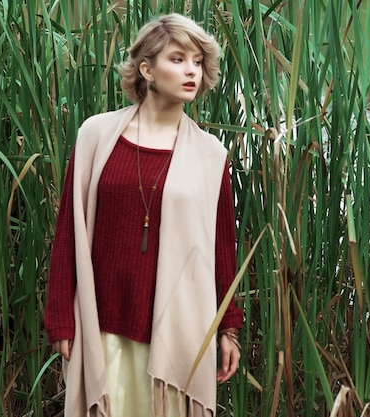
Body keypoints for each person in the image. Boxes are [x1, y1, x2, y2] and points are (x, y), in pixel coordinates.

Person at [44, 13, 243, 417]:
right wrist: (61, 316)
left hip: (176, 329)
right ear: (147, 69)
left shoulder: (210, 155)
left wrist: (229, 329)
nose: (191, 71)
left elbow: (222, 248)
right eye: (178, 59)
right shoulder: (96, 135)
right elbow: (69, 230)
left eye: (198, 62)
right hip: (102, 325)